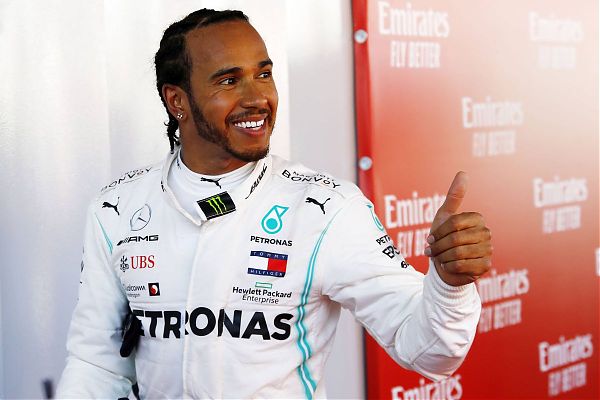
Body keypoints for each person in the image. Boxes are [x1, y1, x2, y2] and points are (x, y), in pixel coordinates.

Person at [56, 9, 492, 399]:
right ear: (177, 101)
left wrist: (449, 285)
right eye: (229, 81)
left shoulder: (325, 208)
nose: (256, 98)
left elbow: (429, 353)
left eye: (263, 74)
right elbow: (96, 363)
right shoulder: (117, 208)